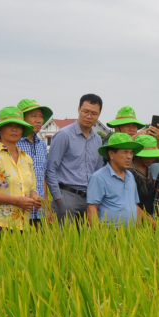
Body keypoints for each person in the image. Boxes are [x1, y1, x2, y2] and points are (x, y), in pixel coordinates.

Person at [0, 106, 40, 231]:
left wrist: (35, 198)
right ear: (0, 129)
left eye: (19, 126)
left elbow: (32, 188)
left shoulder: (26, 159)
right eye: (9, 125)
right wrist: (17, 201)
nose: (14, 129)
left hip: (23, 226)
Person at [45, 93, 104, 224]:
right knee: (64, 241)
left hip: (90, 199)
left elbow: (98, 171)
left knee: (86, 241)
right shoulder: (64, 135)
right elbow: (51, 169)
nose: (89, 116)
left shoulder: (98, 140)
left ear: (99, 115)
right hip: (67, 196)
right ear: (79, 109)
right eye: (85, 111)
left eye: (94, 114)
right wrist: (59, 199)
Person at [86, 132, 147, 227]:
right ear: (111, 154)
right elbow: (92, 208)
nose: (129, 156)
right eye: (125, 152)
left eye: (131, 152)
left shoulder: (130, 176)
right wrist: (98, 236)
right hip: (109, 233)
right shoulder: (98, 177)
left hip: (131, 234)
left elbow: (134, 206)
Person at [16, 98, 53, 227]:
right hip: (19, 210)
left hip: (39, 211)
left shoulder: (42, 145)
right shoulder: (14, 144)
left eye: (41, 116)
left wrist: (47, 208)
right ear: (21, 119)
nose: (39, 120)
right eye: (33, 116)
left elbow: (42, 177)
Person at [130, 134, 159, 215]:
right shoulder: (130, 173)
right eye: (147, 156)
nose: (151, 159)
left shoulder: (147, 168)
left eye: (153, 156)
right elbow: (131, 203)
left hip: (149, 217)